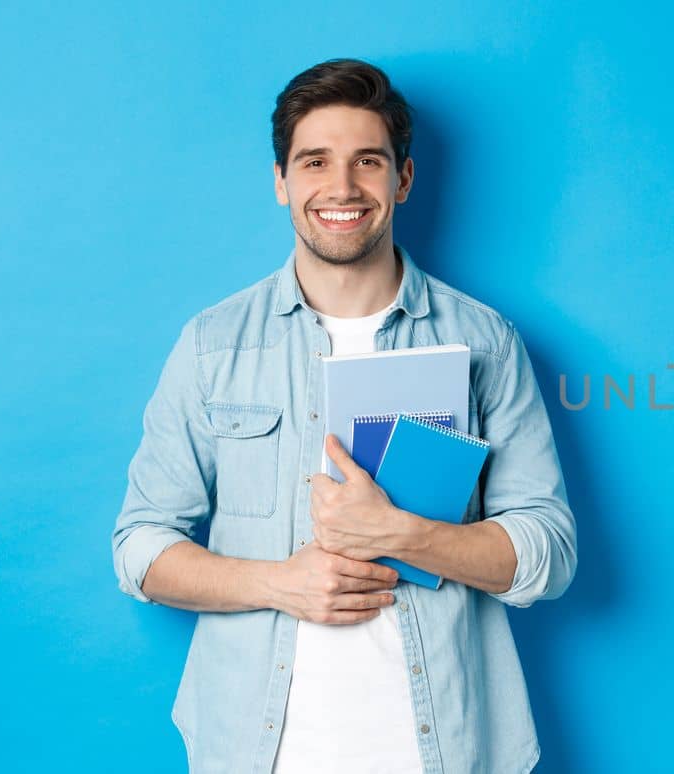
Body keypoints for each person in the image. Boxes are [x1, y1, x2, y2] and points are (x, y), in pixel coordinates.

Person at [110, 58, 576, 773]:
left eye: (368, 161)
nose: (341, 188)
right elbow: (140, 549)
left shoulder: (485, 342)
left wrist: (406, 535)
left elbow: (548, 552)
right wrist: (277, 583)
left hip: (444, 748)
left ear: (403, 179)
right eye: (314, 162)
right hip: (254, 750)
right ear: (281, 183)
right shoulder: (213, 346)